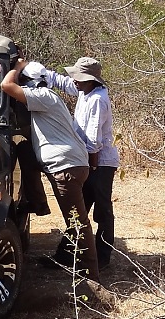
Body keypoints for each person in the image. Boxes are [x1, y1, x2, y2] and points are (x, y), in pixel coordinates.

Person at [1, 59, 101, 282]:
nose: (21, 84)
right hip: (66, 162)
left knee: (77, 223)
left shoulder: (43, 97)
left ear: (34, 83)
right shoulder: (44, 99)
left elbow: (7, 86)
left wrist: (16, 68)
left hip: (66, 167)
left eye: (25, 81)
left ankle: (91, 277)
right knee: (23, 148)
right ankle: (37, 202)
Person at [46, 57, 120, 268]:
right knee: (80, 209)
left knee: (101, 211)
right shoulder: (84, 91)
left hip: (100, 162)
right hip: (88, 160)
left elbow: (94, 138)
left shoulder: (98, 99)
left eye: (78, 77)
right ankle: (67, 256)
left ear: (90, 80)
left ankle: (101, 258)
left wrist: (91, 165)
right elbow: (62, 82)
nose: (74, 81)